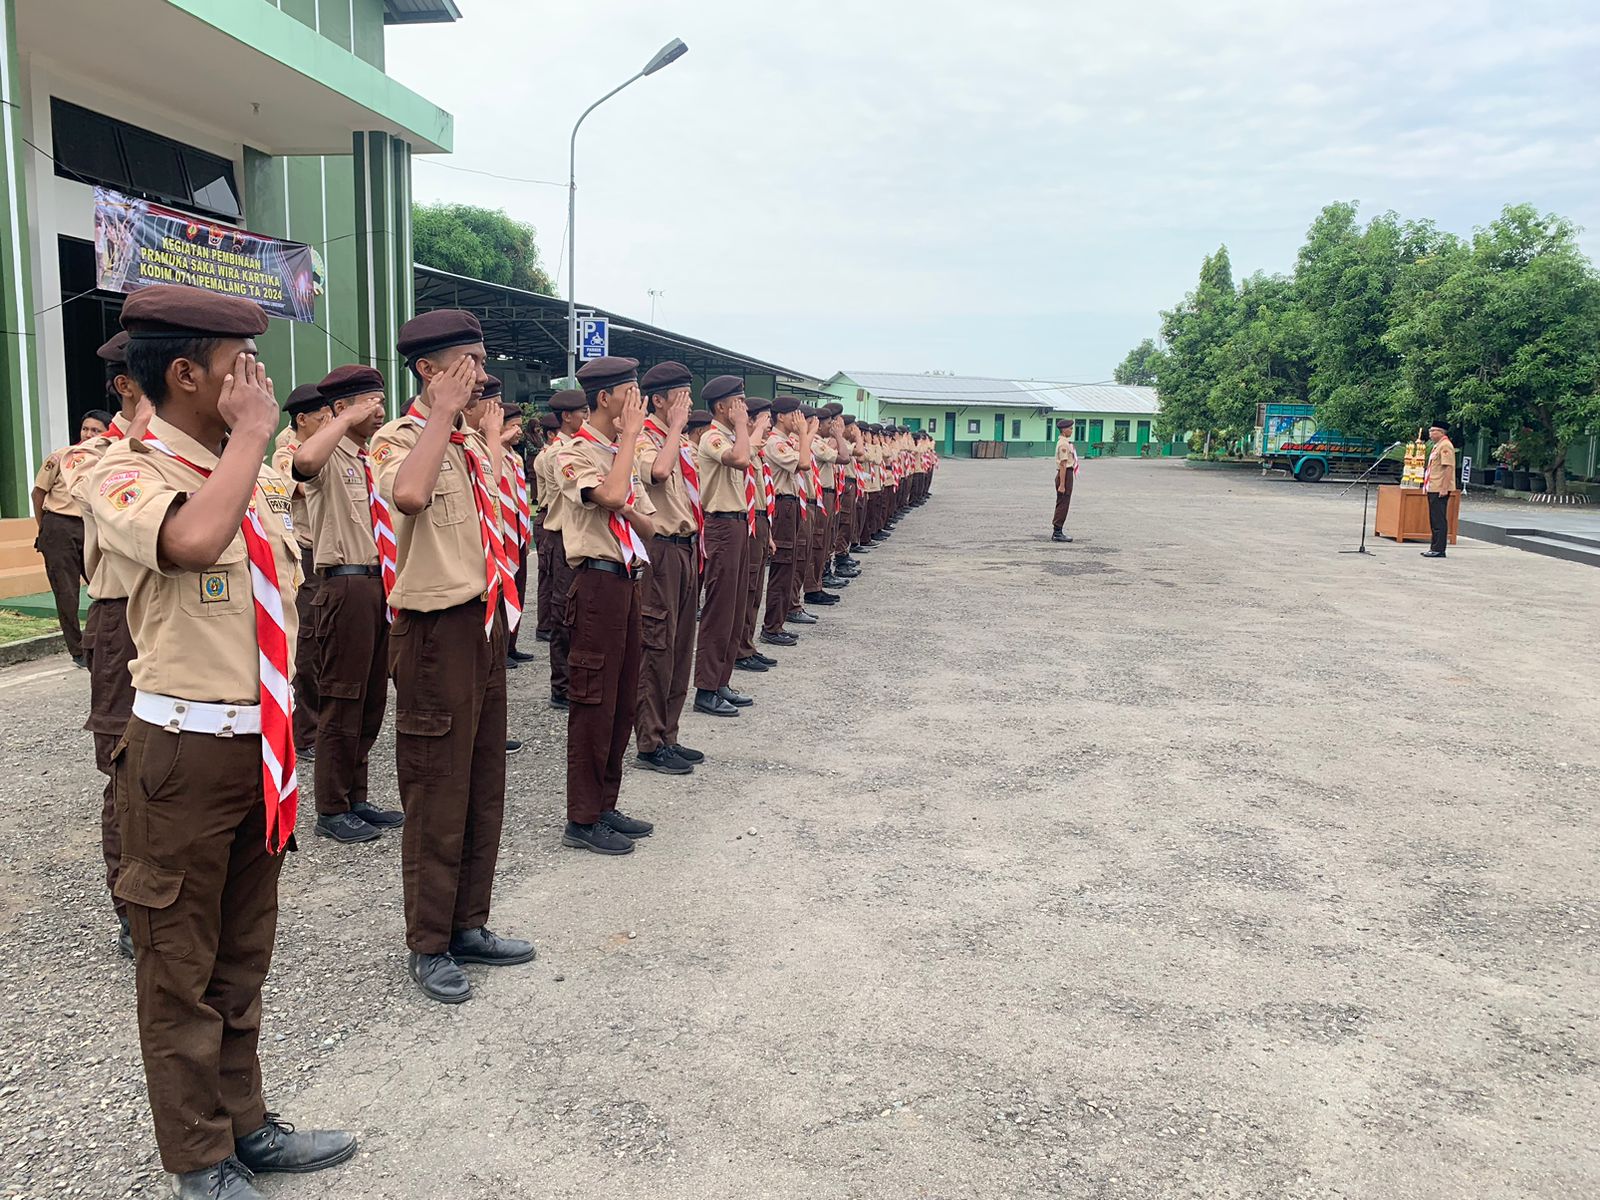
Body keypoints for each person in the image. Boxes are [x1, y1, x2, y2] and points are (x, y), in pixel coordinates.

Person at [88, 283, 356, 1199]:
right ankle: (199, 1156)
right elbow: (197, 543)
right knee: (179, 968)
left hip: (260, 750)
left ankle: (248, 1124)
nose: (258, 379)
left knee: (243, 956)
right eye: (238, 363)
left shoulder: (239, 469)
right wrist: (250, 435)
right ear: (183, 373)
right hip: (182, 757)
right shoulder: (125, 473)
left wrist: (246, 446)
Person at [370, 309, 534, 1005]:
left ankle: (470, 922)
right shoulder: (399, 438)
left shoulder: (471, 445)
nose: (482, 375)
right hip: (435, 632)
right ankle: (428, 941)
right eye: (467, 363)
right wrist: (441, 414)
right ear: (429, 371)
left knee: (482, 784)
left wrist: (480, 435)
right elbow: (407, 496)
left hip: (486, 623)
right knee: (437, 791)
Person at [288, 364, 403, 845]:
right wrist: (341, 417)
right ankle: (331, 807)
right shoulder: (330, 454)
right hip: (346, 584)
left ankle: (357, 795)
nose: (379, 410)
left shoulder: (367, 457)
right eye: (368, 402)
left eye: (380, 400)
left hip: (381, 582)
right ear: (341, 408)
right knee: (343, 698)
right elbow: (303, 464)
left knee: (372, 697)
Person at [63, 333, 149, 958]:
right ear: (126, 384)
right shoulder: (93, 455)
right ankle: (130, 907)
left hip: (186, 612)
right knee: (126, 767)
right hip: (123, 618)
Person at [555, 356, 657, 854]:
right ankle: (582, 816)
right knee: (593, 700)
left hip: (626, 580)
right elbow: (613, 495)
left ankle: (606, 803)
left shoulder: (619, 452)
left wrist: (624, 500)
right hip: (594, 584)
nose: (634, 405)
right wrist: (623, 487)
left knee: (621, 700)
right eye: (629, 395)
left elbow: (648, 524)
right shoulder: (573, 452)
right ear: (604, 399)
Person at [633, 362, 706, 774]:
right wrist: (676, 427)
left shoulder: (676, 442)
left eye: (688, 397)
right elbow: (657, 473)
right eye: (679, 398)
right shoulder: (645, 438)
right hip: (659, 549)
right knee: (657, 645)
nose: (687, 405)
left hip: (686, 546)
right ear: (658, 400)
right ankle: (649, 740)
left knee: (680, 644)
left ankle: (669, 733)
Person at [273, 385, 332, 758]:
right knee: (307, 645)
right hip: (305, 555)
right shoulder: (285, 454)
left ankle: (322, 723)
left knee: (328, 643)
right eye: (323, 416)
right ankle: (304, 733)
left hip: (328, 553)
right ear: (303, 420)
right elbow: (297, 485)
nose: (329, 421)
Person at [692, 376, 756, 718]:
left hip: (738, 523)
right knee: (719, 609)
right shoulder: (714, 437)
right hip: (721, 525)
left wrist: (743, 427)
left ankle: (721, 681)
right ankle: (705, 688)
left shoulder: (732, 435)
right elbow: (742, 460)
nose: (743, 408)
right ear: (721, 407)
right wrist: (745, 427)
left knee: (735, 606)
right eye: (738, 402)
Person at [31, 411, 107, 667]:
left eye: (96, 431)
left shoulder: (109, 460)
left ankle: (105, 641)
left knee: (105, 586)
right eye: (86, 429)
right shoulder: (62, 457)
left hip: (91, 527)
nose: (88, 435)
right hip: (60, 525)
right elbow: (38, 493)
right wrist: (45, 530)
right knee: (67, 593)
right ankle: (78, 651)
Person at [542, 389, 591, 709]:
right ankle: (561, 686)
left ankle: (576, 680)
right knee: (563, 614)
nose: (587, 417)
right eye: (581, 412)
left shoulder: (582, 448)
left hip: (580, 536)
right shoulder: (556, 453)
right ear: (566, 417)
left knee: (581, 614)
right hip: (561, 536)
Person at [733, 397, 777, 674]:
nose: (768, 425)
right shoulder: (742, 448)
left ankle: (746, 644)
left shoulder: (758, 451)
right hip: (743, 523)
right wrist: (754, 429)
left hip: (759, 521)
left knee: (754, 591)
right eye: (764, 419)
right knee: (745, 590)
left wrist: (769, 533)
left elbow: (761, 495)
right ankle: (739, 649)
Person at [761, 396, 809, 647]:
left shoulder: (784, 442)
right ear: (781, 416)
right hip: (782, 505)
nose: (797, 420)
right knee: (782, 566)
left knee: (789, 565)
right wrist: (804, 434)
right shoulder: (774, 443)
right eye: (794, 416)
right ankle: (771, 626)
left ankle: (777, 623)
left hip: (790, 504)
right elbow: (804, 464)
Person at [530, 412, 561, 644]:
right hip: (548, 516)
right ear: (552, 434)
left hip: (553, 516)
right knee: (548, 576)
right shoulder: (548, 455)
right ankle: (545, 624)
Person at [1422, 422, 1456, 559]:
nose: (1430, 434)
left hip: (1439, 487)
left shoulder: (1446, 445)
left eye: (1433, 431)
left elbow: (1448, 467)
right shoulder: (1438, 445)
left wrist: (1444, 487)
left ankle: (1439, 549)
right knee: (1434, 518)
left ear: (1442, 432)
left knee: (1439, 519)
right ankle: (1434, 547)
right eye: (1430, 431)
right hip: (1433, 485)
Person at [1053, 419, 1079, 542]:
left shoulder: (1065, 442)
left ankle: (1058, 530)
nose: (1072, 430)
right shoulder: (1063, 444)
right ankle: (1057, 532)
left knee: (1063, 502)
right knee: (1063, 503)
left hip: (1066, 474)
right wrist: (1062, 484)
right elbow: (1063, 464)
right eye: (1070, 428)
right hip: (1065, 474)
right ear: (1064, 430)